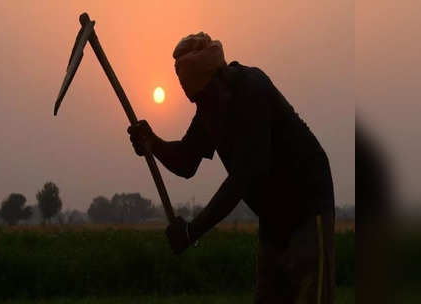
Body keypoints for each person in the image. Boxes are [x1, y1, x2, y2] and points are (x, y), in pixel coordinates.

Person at [127, 32, 335, 304]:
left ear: (215, 79)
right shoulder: (209, 105)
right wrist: (153, 143)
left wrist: (192, 231)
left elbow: (245, 176)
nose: (199, 106)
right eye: (194, 101)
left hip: (308, 209)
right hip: (274, 220)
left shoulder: (252, 89)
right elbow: (186, 162)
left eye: (201, 97)